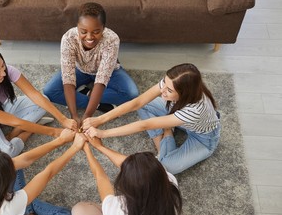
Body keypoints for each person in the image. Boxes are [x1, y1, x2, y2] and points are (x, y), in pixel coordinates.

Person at [83, 63, 221, 174]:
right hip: (179, 116)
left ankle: (167, 131)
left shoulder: (195, 109)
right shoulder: (172, 83)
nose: (163, 91)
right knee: (143, 105)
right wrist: (99, 120)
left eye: (169, 91)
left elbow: (145, 125)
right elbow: (137, 102)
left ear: (185, 93)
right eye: (164, 84)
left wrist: (103, 133)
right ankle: (164, 138)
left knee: (166, 167)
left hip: (202, 138)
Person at [72, 137, 182, 215]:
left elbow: (101, 177)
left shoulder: (120, 208)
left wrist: (87, 149)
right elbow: (138, 170)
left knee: (79, 211)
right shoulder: (170, 183)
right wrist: (100, 147)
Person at [0, 44, 78, 157]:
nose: (3, 73)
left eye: (2, 66)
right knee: (6, 154)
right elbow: (16, 121)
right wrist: (55, 132)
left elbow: (34, 94)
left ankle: (17, 131)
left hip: (3, 107)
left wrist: (63, 119)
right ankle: (28, 130)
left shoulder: (6, 70)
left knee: (44, 101)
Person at [43, 2, 139, 127]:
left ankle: (86, 93)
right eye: (83, 31)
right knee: (49, 91)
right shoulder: (68, 38)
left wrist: (87, 115)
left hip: (110, 71)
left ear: (103, 28)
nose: (89, 37)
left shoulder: (112, 39)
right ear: (77, 27)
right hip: (80, 70)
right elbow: (68, 77)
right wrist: (74, 115)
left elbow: (101, 79)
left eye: (96, 31)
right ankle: (99, 104)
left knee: (132, 94)